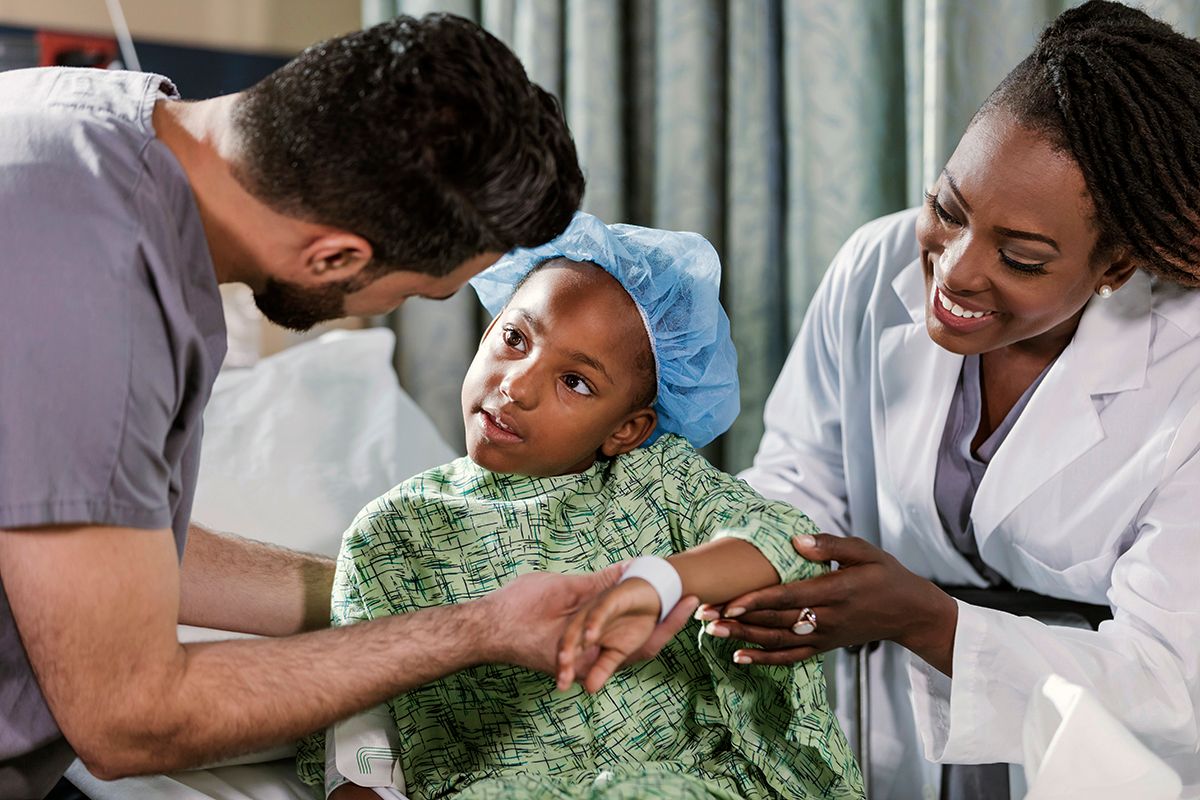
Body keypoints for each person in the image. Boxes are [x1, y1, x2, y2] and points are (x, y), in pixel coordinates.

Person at [0, 13, 664, 800]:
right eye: (421, 292)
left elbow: (103, 545)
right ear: (336, 257)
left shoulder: (74, 121)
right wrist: (475, 633)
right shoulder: (102, 308)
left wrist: (399, 587)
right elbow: (131, 719)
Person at [692, 2, 1200, 797]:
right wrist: (710, 576)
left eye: (1022, 258)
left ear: (1116, 267)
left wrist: (928, 621)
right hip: (884, 739)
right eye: (948, 208)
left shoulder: (1188, 374)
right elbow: (799, 483)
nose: (956, 272)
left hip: (1093, 762)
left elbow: (1170, 681)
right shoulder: (872, 266)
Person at [296, 214, 863, 800]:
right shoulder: (391, 534)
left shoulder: (661, 484)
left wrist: (660, 581)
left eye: (576, 382)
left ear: (628, 429)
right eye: (515, 338)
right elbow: (358, 730)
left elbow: (785, 541)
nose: (517, 386)